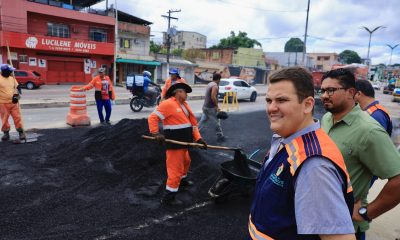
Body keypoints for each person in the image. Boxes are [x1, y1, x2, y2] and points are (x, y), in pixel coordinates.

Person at [249, 67, 355, 239]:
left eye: (281, 100)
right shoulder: (287, 138)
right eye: (269, 100)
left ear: (307, 105)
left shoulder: (314, 166)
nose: (271, 108)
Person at [320, 68, 400, 240]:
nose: (324, 95)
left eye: (331, 90)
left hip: (346, 227)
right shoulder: (327, 119)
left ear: (350, 92)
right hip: (320, 218)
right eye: (323, 90)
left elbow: (398, 180)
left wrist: (366, 212)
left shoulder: (369, 131)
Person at [148, 82, 207, 205]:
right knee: (175, 170)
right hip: (175, 145)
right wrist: (155, 133)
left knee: (186, 162)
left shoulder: (184, 105)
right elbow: (152, 117)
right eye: (185, 92)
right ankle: (168, 198)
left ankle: (182, 181)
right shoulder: (168, 104)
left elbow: (193, 125)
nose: (187, 95)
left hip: (185, 143)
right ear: (178, 92)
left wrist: (198, 139)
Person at [0, 64, 26, 141]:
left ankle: (21, 132)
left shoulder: (12, 78)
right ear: (5, 71)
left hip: (13, 103)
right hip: (3, 103)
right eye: (10, 70)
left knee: (17, 117)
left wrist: (17, 96)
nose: (12, 71)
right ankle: (6, 133)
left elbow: (18, 88)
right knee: (4, 119)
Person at [198, 73, 225, 141]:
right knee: (216, 121)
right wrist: (216, 106)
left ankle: (195, 133)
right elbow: (213, 96)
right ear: (218, 79)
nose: (220, 81)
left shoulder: (210, 84)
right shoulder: (215, 86)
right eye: (220, 79)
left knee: (203, 120)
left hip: (205, 107)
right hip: (210, 108)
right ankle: (220, 136)